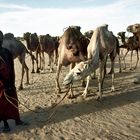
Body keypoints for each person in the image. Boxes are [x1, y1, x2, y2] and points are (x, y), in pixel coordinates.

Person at [0, 30, 27, 132]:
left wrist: (11, 81)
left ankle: (17, 120)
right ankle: (5, 123)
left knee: (13, 101)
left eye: (0, 38)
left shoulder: (6, 52)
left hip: (10, 82)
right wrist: (3, 84)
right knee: (2, 104)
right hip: (1, 85)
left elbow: (11, 67)